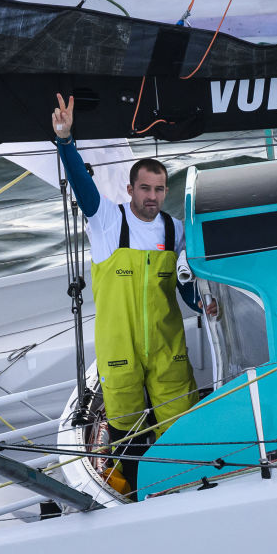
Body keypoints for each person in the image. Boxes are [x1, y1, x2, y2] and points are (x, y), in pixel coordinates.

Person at [52, 93, 201, 492]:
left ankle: (187, 487)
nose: (152, 196)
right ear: (131, 189)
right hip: (119, 354)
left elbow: (187, 283)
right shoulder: (105, 222)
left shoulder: (175, 231)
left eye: (159, 189)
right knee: (127, 434)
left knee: (182, 430)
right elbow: (83, 187)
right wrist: (65, 141)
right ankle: (136, 492)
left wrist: (203, 304)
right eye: (145, 188)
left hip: (168, 351)